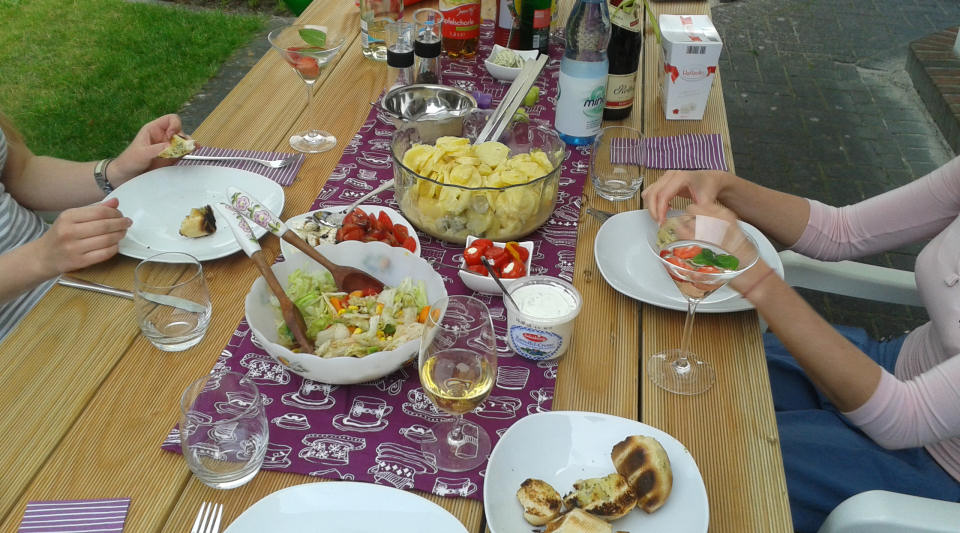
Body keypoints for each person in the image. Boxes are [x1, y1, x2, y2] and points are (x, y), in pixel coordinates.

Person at [641, 159, 960, 532]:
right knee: (687, 394)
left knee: (703, 468)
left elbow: (905, 418)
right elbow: (843, 231)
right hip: (889, 364)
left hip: (930, 463)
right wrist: (721, 184)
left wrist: (752, 274)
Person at [0, 112, 186, 342]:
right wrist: (39, 258)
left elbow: (20, 173)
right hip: (19, 340)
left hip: (77, 278)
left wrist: (117, 171)